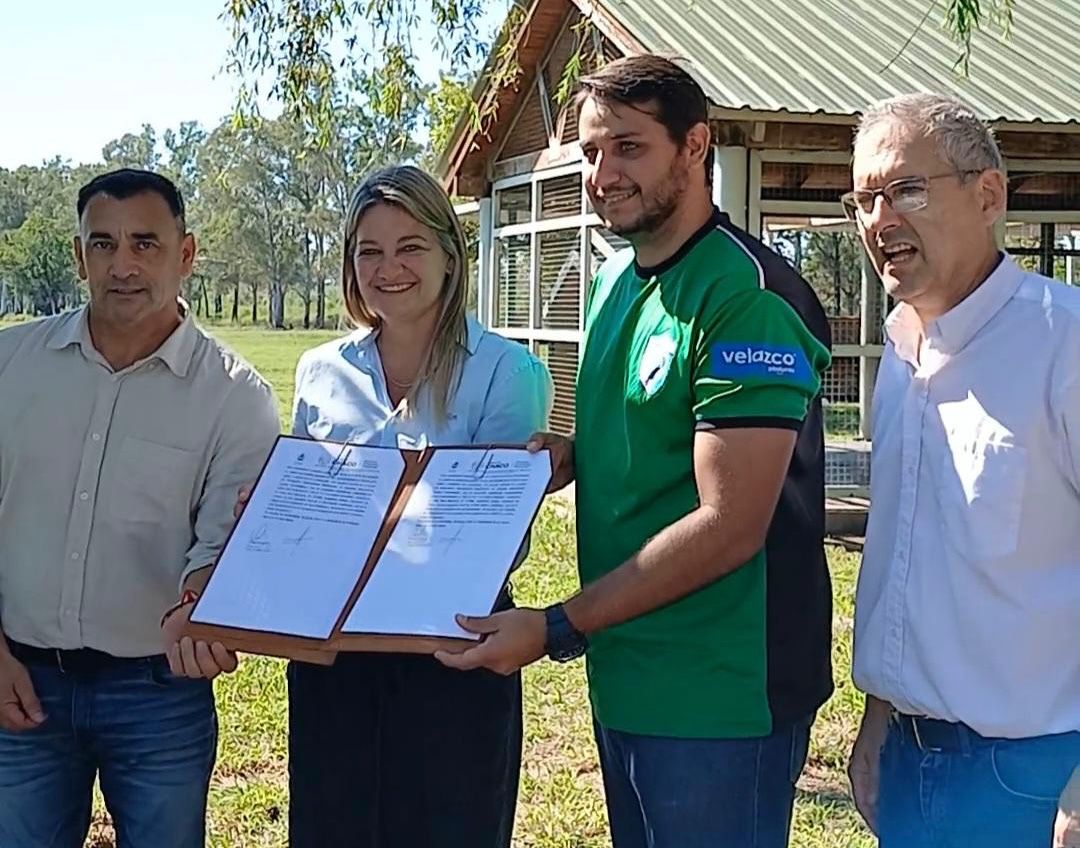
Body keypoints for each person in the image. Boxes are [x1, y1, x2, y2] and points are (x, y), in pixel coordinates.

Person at [438, 55, 833, 848]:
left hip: (721, 697)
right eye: (590, 152)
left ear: (696, 146)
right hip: (627, 674)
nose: (602, 174)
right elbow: (653, 431)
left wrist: (556, 626)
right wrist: (568, 456)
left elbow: (730, 524)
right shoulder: (614, 281)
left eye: (628, 147)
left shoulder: (745, 298)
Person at [217, 165, 552, 847]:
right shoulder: (320, 370)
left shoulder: (507, 371)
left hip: (454, 653)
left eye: (410, 247)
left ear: (450, 255)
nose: (388, 268)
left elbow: (501, 539)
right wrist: (277, 515)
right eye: (369, 251)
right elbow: (311, 506)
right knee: (330, 829)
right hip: (333, 658)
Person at [0, 168, 280, 847]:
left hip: (159, 693)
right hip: (19, 681)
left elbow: (223, 544)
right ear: (79, 256)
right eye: (103, 244)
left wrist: (204, 604)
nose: (122, 265)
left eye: (145, 244)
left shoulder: (235, 398)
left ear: (186, 253)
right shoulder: (10, 365)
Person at [844, 93, 1080, 848]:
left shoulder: (1064, 343)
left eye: (907, 189)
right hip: (910, 761)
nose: (880, 220)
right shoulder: (901, 355)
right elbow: (904, 563)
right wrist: (879, 717)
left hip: (1039, 772)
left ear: (988, 196)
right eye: (864, 200)